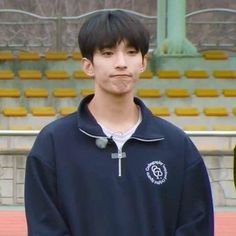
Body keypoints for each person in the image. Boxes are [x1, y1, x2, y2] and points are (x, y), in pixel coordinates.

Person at [24, 9, 214, 235]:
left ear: (143, 62)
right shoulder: (54, 143)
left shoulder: (176, 145)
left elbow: (196, 225)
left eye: (132, 52)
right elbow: (44, 226)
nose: (121, 63)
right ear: (88, 66)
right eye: (108, 53)